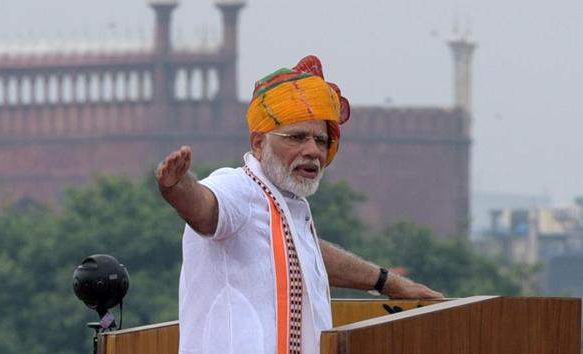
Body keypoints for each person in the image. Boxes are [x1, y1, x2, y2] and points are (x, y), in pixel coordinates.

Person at [155, 55, 443, 354]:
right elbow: (204, 209)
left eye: (321, 140)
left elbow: (309, 254)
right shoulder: (237, 188)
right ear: (258, 143)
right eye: (297, 137)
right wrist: (178, 187)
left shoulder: (286, 207)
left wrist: (389, 283)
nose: (313, 151)